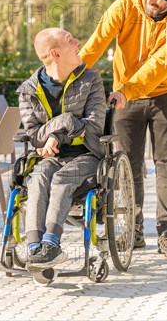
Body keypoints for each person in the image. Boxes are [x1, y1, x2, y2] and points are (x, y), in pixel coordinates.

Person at [79, 0, 167, 259]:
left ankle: (166, 232)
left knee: (166, 163)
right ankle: (133, 229)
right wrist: (69, 80)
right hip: (125, 96)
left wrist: (127, 89)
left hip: (166, 94)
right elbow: (96, 44)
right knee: (128, 166)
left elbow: (161, 64)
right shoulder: (127, 4)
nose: (151, 0)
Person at [17, 27, 106, 269]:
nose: (78, 43)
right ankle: (35, 246)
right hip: (49, 157)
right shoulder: (28, 90)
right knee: (38, 179)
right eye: (70, 41)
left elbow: (95, 125)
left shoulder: (91, 80)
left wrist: (56, 135)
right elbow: (34, 135)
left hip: (87, 154)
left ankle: (51, 243)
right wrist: (65, 123)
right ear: (56, 54)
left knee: (63, 178)